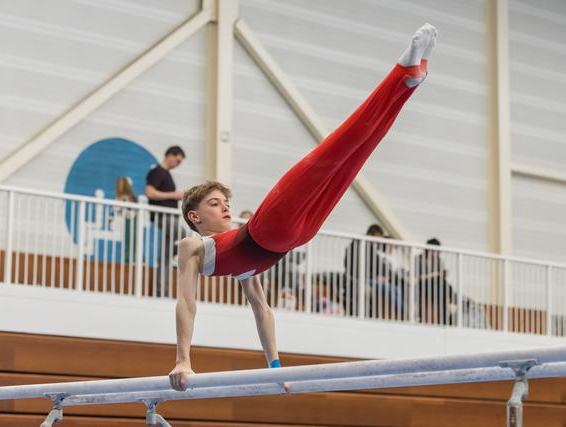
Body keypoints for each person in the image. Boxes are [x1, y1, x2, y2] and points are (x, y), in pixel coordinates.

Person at [169, 24, 438, 391]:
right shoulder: (194, 247)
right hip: (295, 233)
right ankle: (402, 79)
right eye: (215, 204)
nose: (226, 207)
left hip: (274, 229)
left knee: (350, 150)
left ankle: (405, 81)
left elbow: (262, 311)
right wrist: (184, 359)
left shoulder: (240, 260)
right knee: (348, 154)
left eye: (226, 201)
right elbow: (187, 303)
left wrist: (273, 365)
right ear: (194, 217)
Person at [146, 146, 186, 297]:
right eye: (177, 160)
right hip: (165, 216)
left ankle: (160, 291)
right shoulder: (157, 172)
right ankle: (184, 252)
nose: (178, 164)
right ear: (170, 155)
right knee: (184, 238)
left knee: (165, 257)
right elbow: (149, 193)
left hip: (170, 217)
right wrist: (174, 195)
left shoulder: (166, 174)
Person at [343, 224, 384, 316]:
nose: (377, 242)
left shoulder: (373, 251)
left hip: (370, 281)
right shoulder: (355, 246)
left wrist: (384, 276)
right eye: (376, 238)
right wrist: (374, 276)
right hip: (355, 281)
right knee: (369, 291)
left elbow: (380, 267)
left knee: (391, 290)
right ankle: (365, 315)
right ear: (369, 235)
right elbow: (351, 266)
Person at [415, 238, 455, 325]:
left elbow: (441, 275)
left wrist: (443, 274)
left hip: (437, 286)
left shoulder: (438, 261)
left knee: (446, 285)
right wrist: (435, 274)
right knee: (441, 288)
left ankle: (449, 307)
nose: (437, 253)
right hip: (423, 285)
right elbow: (417, 278)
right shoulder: (418, 259)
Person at [114, 176, 137, 263]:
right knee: (127, 242)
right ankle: (128, 259)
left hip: (130, 220)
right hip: (123, 221)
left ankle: (132, 259)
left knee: (131, 241)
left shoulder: (128, 198)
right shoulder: (120, 198)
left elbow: (131, 211)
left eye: (122, 184)